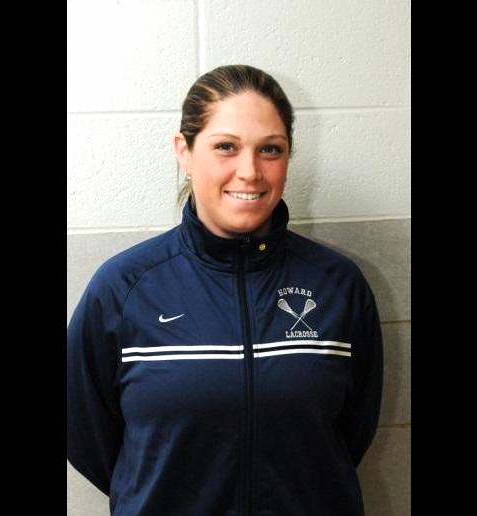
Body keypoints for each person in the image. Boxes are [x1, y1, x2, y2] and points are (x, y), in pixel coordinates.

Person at [67, 64, 383, 516]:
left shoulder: (339, 285)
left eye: (270, 149)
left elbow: (351, 432)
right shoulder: (123, 288)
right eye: (225, 147)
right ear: (184, 151)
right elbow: (86, 434)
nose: (249, 171)